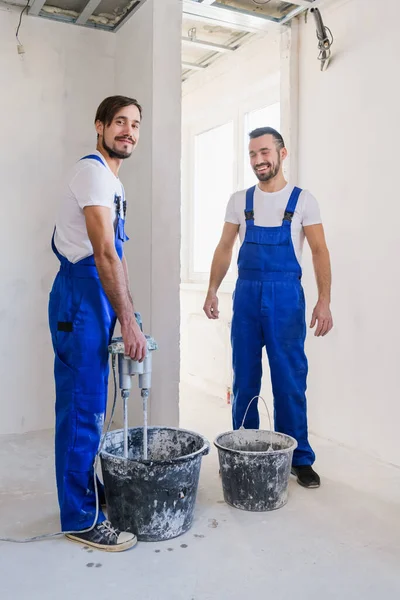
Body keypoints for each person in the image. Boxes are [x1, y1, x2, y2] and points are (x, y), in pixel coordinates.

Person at [203, 127, 333, 489]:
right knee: (244, 377)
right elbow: (225, 247)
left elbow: (320, 251)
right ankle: (243, 451)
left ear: (282, 153)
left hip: (285, 299)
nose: (258, 160)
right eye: (252, 154)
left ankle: (299, 458)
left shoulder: (303, 200)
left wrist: (324, 300)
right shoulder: (239, 200)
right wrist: (212, 289)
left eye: (264, 152)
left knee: (289, 379)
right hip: (245, 296)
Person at [48, 96, 147, 551]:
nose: (128, 131)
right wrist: (125, 320)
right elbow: (103, 252)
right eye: (120, 122)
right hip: (80, 297)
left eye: (135, 124)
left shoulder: (112, 182)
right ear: (100, 126)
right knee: (82, 407)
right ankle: (79, 518)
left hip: (98, 297)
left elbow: (117, 258)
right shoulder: (92, 173)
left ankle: (87, 496)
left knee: (89, 404)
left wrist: (129, 311)